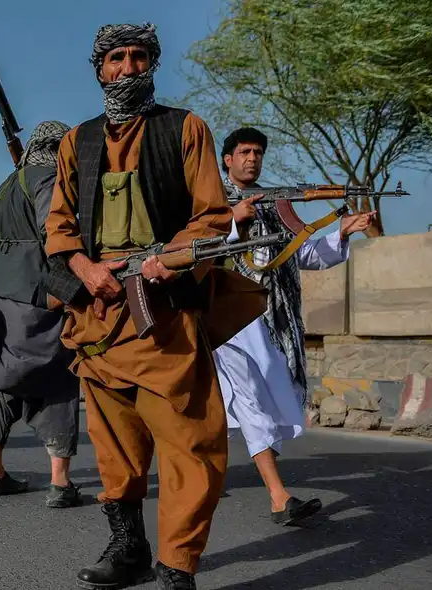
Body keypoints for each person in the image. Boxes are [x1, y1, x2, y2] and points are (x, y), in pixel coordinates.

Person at [43, 23, 266, 590]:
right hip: (98, 313)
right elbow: (60, 227)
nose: (128, 66)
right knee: (115, 443)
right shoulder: (76, 141)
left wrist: (168, 259)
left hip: (163, 311)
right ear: (99, 70)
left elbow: (212, 216)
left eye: (139, 57)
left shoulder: (185, 129)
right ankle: (129, 548)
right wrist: (86, 270)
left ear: (152, 65)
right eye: (116, 58)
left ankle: (176, 567)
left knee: (190, 441)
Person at [216, 127, 376, 525]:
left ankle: (210, 473)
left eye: (258, 152)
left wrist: (340, 233)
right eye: (244, 152)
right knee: (251, 400)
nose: (252, 158)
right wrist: (233, 221)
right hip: (232, 321)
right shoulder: (211, 203)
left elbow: (302, 254)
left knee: (270, 397)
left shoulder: (276, 204)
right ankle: (278, 496)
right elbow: (198, 249)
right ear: (227, 160)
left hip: (279, 320)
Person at [0, 120, 83, 509]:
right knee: (58, 375)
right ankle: (60, 481)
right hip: (36, 292)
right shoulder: (47, 178)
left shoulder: (7, 184)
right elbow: (52, 231)